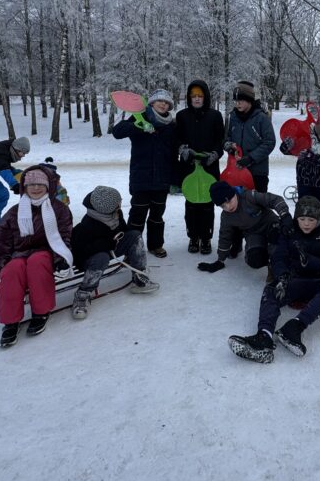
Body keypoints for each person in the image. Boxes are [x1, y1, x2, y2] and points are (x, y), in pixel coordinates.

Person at [228, 195, 320, 362]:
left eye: (311, 219)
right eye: (302, 219)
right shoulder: (290, 232)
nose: (306, 223)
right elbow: (278, 257)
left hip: (316, 283)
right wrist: (282, 276)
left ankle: (294, 327)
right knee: (271, 289)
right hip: (293, 280)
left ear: (318, 219)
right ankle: (264, 337)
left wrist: (310, 261)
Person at [0, 167, 73, 348]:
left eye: (40, 184)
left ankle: (41, 312)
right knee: (12, 270)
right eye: (31, 184)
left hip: (47, 252)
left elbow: (64, 237)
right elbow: (1, 246)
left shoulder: (59, 209)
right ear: (24, 187)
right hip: (18, 255)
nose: (35, 188)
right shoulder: (13, 213)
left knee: (37, 263)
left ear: (49, 186)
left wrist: (61, 260)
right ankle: (10, 321)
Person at [70, 186, 159, 319]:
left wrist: (127, 244)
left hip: (111, 247)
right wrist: (106, 244)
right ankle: (83, 293)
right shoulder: (86, 226)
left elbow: (123, 230)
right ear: (107, 207)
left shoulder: (115, 214)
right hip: (91, 259)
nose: (120, 202)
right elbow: (81, 251)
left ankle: (139, 276)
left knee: (134, 235)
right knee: (102, 257)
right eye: (118, 201)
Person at [112, 88, 178, 257]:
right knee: (137, 215)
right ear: (152, 103)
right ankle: (131, 247)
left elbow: (173, 154)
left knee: (157, 215)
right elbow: (117, 131)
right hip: (141, 178)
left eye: (166, 102)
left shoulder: (171, 125)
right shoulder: (140, 117)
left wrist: (174, 179)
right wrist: (137, 126)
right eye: (159, 101)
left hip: (162, 179)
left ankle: (156, 245)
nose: (163, 104)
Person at [175, 80, 225, 254]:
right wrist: (183, 149)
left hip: (209, 167)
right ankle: (193, 237)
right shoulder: (182, 116)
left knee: (207, 204)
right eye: (193, 96)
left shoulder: (215, 116)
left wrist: (214, 155)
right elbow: (177, 139)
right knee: (191, 204)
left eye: (200, 96)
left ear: (206, 97)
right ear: (189, 97)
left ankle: (206, 238)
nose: (196, 99)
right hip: (189, 167)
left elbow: (221, 142)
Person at [197, 181, 292, 272]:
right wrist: (220, 260)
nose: (228, 207)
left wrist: (285, 215)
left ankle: (281, 262)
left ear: (233, 193)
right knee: (255, 260)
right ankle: (268, 258)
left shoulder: (249, 196)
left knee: (277, 240)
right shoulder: (226, 216)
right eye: (223, 206)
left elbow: (274, 199)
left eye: (229, 201)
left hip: (270, 225)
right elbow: (224, 237)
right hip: (253, 233)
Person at [280, 112, 320, 225]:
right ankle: (299, 235)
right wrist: (286, 148)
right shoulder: (306, 132)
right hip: (304, 180)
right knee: (303, 207)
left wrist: (311, 157)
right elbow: (293, 149)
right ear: (316, 131)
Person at [224, 81, 276, 194]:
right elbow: (226, 138)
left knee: (257, 207)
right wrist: (229, 146)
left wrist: (251, 158)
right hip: (236, 171)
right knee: (237, 206)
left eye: (241, 100)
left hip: (257, 173)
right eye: (236, 101)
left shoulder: (261, 118)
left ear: (249, 100)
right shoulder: (232, 117)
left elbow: (270, 142)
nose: (237, 104)